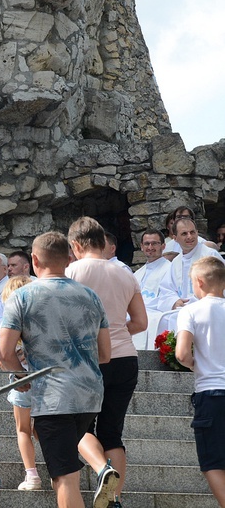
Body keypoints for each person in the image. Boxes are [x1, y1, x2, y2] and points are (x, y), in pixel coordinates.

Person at [0, 231, 111, 508]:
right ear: (69, 258)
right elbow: (106, 354)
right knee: (64, 471)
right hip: (89, 394)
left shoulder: (22, 297)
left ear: (34, 260)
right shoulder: (90, 296)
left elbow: (4, 353)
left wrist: (21, 378)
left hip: (52, 397)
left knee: (65, 478)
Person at [66, 217, 147, 508]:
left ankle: (102, 469)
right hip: (125, 358)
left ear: (75, 245)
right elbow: (141, 321)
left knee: (78, 427)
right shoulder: (126, 274)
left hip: (88, 359)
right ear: (103, 243)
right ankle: (114, 499)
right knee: (113, 431)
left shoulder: (72, 270)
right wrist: (117, 330)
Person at [175, 256, 225, 507]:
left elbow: (182, 353)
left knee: (212, 463)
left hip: (210, 392)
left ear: (200, 282)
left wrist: (196, 364)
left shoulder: (191, 310)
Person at [0, 275, 41, 491]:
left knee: (23, 429)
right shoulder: (40, 317)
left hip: (21, 380)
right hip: (45, 379)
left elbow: (2, 356)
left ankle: (32, 475)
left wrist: (16, 375)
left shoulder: (11, 318)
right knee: (44, 427)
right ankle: (57, 467)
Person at [156, 217, 223, 313]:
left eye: (192, 232)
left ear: (197, 233)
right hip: (182, 311)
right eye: (184, 234)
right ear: (175, 238)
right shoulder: (176, 262)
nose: (189, 237)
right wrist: (174, 302)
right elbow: (166, 289)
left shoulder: (210, 255)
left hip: (208, 311)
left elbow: (220, 285)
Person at [132, 229, 172, 350]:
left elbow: (167, 297)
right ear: (141, 247)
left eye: (154, 243)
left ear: (163, 246)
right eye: (147, 244)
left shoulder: (170, 269)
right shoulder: (137, 274)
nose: (150, 247)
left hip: (156, 312)